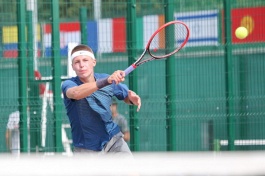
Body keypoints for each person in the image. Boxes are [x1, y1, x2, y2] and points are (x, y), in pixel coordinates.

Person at [61, 44, 141, 156]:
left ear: (94, 62)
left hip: (114, 140)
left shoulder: (107, 80)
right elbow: (75, 93)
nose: (81, 65)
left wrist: (131, 98)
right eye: (77, 62)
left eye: (85, 60)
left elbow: (126, 96)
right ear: (72, 66)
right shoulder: (69, 84)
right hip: (86, 149)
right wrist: (107, 81)